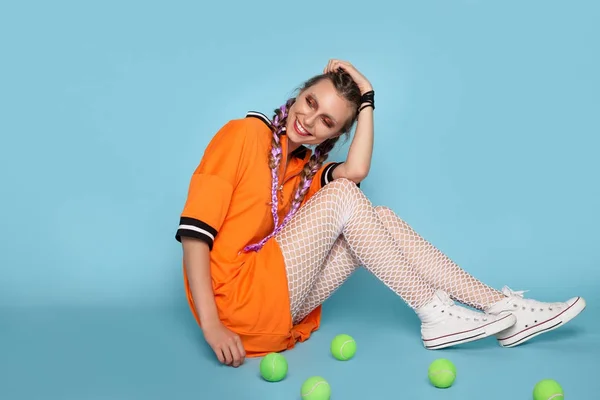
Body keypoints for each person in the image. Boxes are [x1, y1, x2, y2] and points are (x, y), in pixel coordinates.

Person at [175, 59, 586, 368]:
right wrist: (211, 326)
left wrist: (367, 99)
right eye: (309, 102)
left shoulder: (302, 167)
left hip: (277, 308)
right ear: (297, 94)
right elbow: (196, 234)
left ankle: (505, 311)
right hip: (235, 303)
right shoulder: (245, 135)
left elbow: (355, 171)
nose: (308, 120)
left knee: (380, 217)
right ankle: (432, 311)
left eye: (327, 122)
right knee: (343, 197)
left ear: (335, 135)